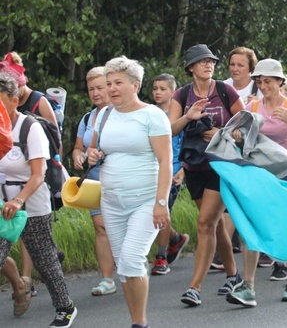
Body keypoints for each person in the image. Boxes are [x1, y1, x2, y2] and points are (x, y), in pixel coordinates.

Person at [86, 57, 172, 328]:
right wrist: (92, 155)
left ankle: (140, 323)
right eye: (108, 83)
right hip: (111, 202)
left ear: (135, 85)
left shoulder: (152, 115)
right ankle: (136, 320)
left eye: (117, 83)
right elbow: (99, 150)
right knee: (124, 266)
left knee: (132, 259)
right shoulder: (104, 114)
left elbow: (165, 161)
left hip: (145, 201)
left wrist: (161, 202)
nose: (111, 88)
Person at [226, 59, 287, 305]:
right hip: (260, 174)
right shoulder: (253, 107)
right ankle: (248, 287)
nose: (264, 86)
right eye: (260, 82)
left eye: (268, 81)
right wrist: (238, 135)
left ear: (280, 82)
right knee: (251, 226)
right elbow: (241, 140)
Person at [169, 44, 245, 307]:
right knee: (215, 224)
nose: (208, 65)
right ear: (191, 67)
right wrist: (188, 117)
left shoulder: (225, 90)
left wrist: (222, 133)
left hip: (222, 165)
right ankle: (234, 275)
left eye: (211, 61)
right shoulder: (181, 95)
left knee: (204, 224)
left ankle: (195, 287)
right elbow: (169, 129)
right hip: (194, 167)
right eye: (202, 62)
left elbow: (247, 124)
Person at [0, 73, 77, 327]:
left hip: (30, 201)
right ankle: (20, 287)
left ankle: (65, 307)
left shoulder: (30, 127)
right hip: (3, 205)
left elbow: (38, 174)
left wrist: (19, 200)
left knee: (44, 258)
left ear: (13, 101)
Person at [70, 67, 116, 295]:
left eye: (100, 87)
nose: (96, 93)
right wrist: (78, 156)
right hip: (95, 180)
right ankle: (107, 279)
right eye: (91, 89)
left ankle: (132, 268)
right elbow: (79, 147)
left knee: (120, 227)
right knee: (100, 227)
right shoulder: (88, 117)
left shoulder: (120, 113)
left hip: (119, 178)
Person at [151, 74, 190, 275]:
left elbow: (186, 145)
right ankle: (175, 238)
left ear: (173, 92)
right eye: (155, 88)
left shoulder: (179, 116)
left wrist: (184, 168)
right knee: (152, 210)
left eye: (162, 89)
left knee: (162, 208)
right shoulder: (148, 113)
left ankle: (161, 256)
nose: (158, 92)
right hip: (151, 170)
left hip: (173, 169)